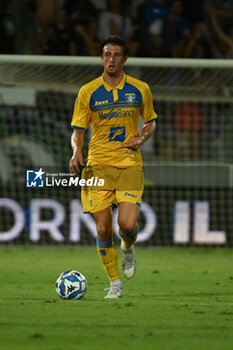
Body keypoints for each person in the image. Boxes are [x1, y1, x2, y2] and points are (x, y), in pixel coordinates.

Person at [69, 36, 157, 299]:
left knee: (127, 225)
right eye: (107, 54)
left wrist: (141, 138)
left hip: (129, 163)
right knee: (103, 229)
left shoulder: (141, 89)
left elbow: (150, 122)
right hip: (97, 166)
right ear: (101, 58)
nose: (112, 59)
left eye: (117, 55)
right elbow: (78, 129)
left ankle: (128, 248)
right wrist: (76, 150)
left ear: (125, 59)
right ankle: (115, 285)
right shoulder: (88, 91)